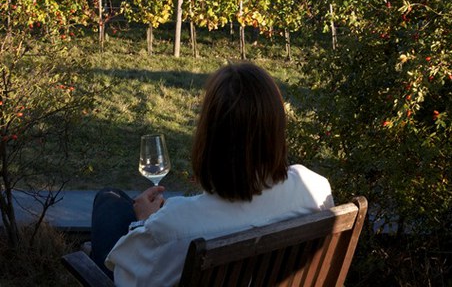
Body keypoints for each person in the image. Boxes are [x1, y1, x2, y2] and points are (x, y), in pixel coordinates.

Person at [91, 62, 333, 286]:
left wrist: (143, 222)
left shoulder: (172, 226)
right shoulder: (315, 188)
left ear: (209, 137)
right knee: (115, 201)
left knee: (109, 200)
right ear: (276, 129)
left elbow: (126, 279)